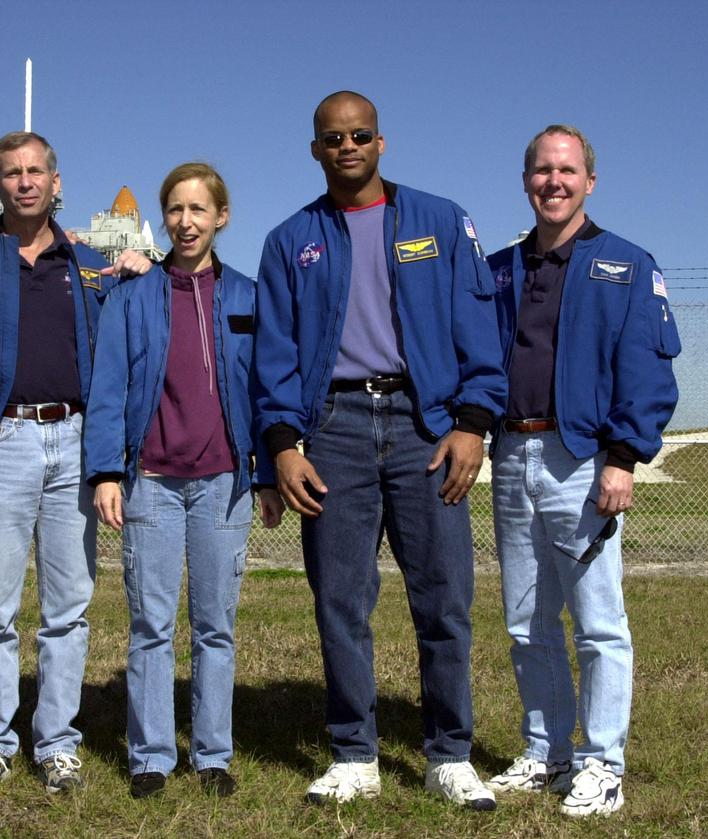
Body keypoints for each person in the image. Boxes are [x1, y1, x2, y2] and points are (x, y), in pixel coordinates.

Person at [252, 91, 506, 810]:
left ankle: (449, 754)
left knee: (445, 597)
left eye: (360, 134)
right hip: (332, 428)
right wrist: (282, 444)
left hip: (425, 424)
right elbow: (272, 353)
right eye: (333, 138)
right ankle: (354, 753)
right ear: (315, 150)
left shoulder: (440, 220)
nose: (348, 147)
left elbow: (477, 325)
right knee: (339, 598)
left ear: (382, 141)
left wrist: (471, 422)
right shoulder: (289, 240)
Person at [0, 131, 151, 794]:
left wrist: (139, 269)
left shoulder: (92, 261)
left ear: (56, 180)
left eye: (35, 170)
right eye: (10, 173)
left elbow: (136, 334)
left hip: (76, 444)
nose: (24, 182)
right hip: (1, 441)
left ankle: (58, 743)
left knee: (68, 605)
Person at [485, 125, 681, 817]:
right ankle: (546, 751)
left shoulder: (625, 264)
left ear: (589, 181)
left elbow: (649, 372)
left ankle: (603, 763)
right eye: (542, 170)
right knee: (525, 622)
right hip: (511, 456)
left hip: (584, 460)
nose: (554, 182)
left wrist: (623, 457)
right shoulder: (502, 270)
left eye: (567, 171)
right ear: (526, 180)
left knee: (598, 623)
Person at [85, 162, 285, 800]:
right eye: (175, 210)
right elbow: (108, 388)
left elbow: (266, 389)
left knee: (215, 625)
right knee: (150, 624)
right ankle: (149, 755)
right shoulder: (131, 298)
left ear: (221, 218)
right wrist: (107, 472)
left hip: (224, 482)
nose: (187, 221)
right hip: (151, 482)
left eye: (200, 210)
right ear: (162, 218)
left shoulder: (250, 297)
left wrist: (264, 472)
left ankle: (212, 754)